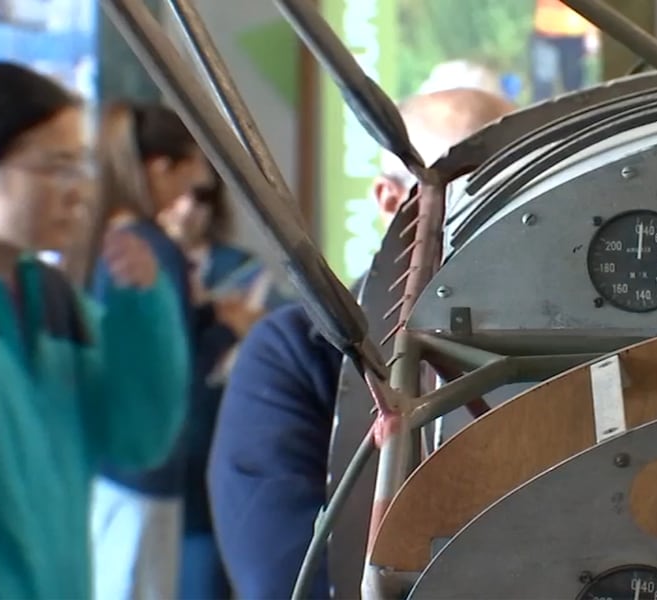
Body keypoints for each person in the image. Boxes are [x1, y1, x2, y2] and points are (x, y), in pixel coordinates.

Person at [208, 88, 515, 599]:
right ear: (392, 202)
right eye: (471, 195)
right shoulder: (294, 356)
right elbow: (286, 581)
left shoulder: (561, 351)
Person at [0, 62, 188, 598]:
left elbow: (138, 441)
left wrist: (143, 316)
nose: (80, 191)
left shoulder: (56, 300)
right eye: (56, 168)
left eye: (81, 167)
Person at [88, 101, 213, 600]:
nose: (191, 194)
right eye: (190, 176)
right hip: (147, 460)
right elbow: (174, 360)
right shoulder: (148, 249)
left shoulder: (107, 238)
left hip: (115, 464)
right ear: (162, 168)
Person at [158, 171, 270, 600]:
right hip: (157, 456)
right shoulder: (139, 258)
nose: (187, 206)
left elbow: (250, 336)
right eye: (179, 190)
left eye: (200, 195)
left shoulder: (239, 267)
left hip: (216, 435)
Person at [530, 0, 599, 102]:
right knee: (543, 85)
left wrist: (592, 32)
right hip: (545, 30)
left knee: (574, 87)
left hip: (574, 32)